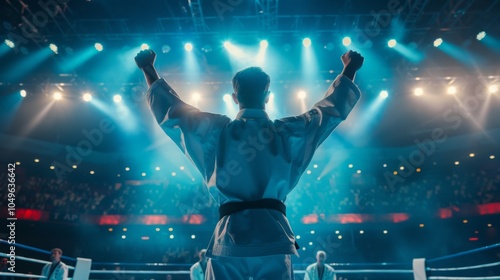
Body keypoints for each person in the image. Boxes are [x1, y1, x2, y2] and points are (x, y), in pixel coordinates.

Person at [135, 49, 363, 280]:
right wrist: (349, 69)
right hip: (274, 240)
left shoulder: (216, 132)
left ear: (235, 97)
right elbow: (327, 113)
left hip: (229, 241)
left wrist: (148, 69)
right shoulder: (286, 133)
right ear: (268, 96)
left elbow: (172, 112)